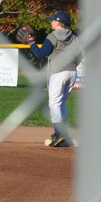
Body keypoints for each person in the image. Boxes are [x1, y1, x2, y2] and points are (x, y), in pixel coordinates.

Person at [29, 10, 83, 147]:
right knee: (61, 103)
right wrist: (71, 66)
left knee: (54, 104)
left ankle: (59, 134)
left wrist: (31, 43)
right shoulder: (74, 38)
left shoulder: (53, 36)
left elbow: (40, 54)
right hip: (72, 72)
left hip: (58, 73)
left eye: (53, 20)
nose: (51, 22)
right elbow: (79, 57)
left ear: (58, 23)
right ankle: (63, 134)